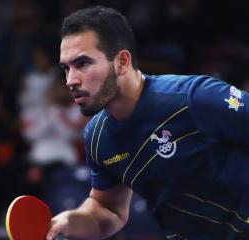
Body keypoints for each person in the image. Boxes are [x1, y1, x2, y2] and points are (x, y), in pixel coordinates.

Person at [47, 6, 249, 240]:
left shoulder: (193, 98)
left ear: (122, 61)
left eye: (82, 63)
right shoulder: (97, 137)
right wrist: (69, 221)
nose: (70, 80)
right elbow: (108, 210)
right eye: (66, 68)